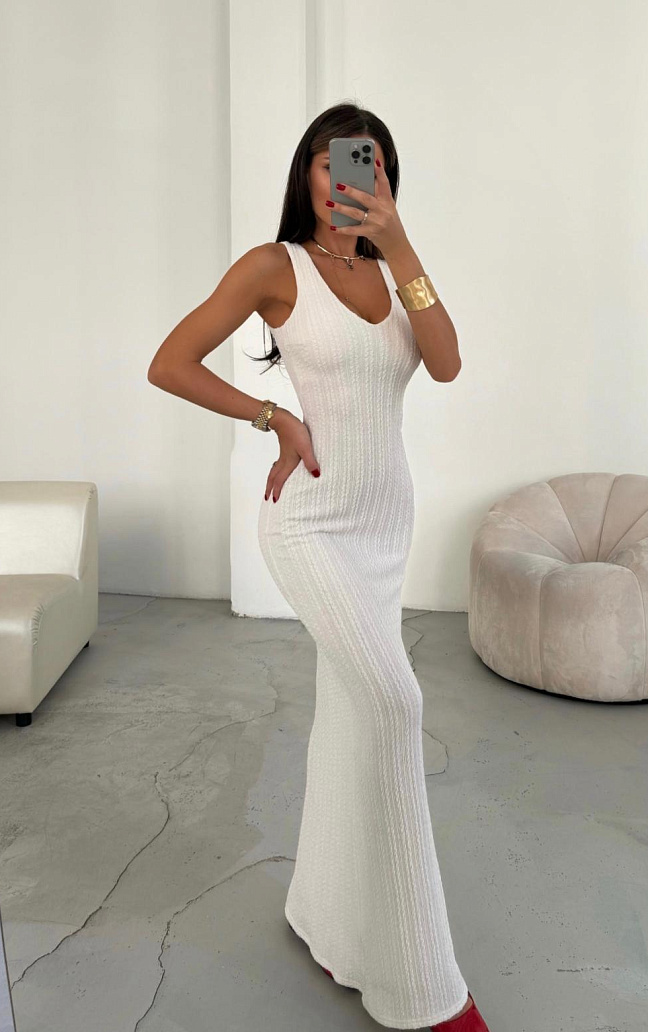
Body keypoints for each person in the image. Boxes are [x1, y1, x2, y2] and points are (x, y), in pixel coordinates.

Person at [148, 102, 489, 1032]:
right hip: (310, 523)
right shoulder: (275, 267)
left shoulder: (393, 269)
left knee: (350, 718)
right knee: (395, 704)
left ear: (386, 179)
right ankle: (428, 991)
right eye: (337, 161)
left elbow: (447, 364)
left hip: (383, 528)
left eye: (370, 164)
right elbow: (170, 363)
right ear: (308, 171)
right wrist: (275, 418)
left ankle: (326, 920)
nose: (351, 177)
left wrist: (400, 242)